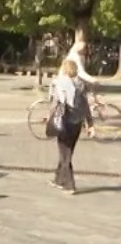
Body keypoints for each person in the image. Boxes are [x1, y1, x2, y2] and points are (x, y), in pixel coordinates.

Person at [48, 58, 94, 194]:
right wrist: (90, 124)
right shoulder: (81, 84)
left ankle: (70, 185)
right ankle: (58, 179)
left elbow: (56, 103)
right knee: (67, 152)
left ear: (64, 69)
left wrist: (50, 116)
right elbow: (86, 106)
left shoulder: (61, 83)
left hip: (65, 122)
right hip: (77, 124)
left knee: (65, 155)